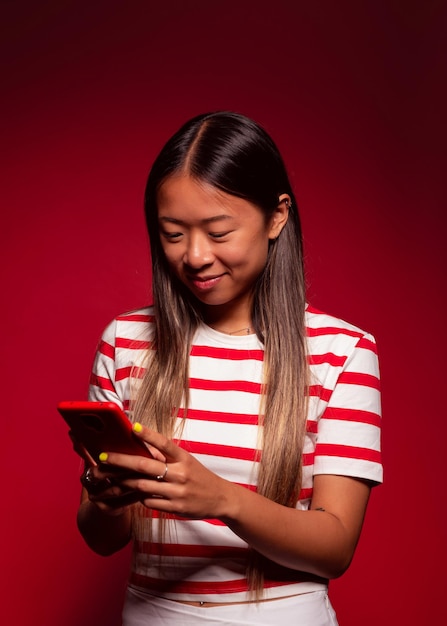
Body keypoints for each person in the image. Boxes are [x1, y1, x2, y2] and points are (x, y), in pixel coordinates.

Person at [74, 111, 382, 625]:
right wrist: (105, 498)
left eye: (218, 232)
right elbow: (101, 539)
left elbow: (335, 547)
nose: (195, 256)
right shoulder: (124, 341)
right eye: (172, 233)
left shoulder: (342, 351)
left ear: (277, 216)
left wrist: (221, 499)